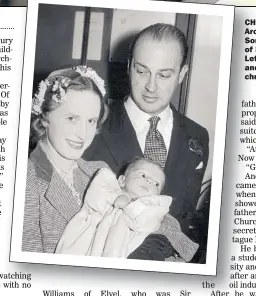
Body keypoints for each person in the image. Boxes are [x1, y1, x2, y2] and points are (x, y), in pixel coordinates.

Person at [83, 23, 209, 234]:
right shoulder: (94, 122)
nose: (151, 86)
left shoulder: (197, 137)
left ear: (182, 74)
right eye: (142, 71)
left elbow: (185, 217)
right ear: (129, 66)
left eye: (164, 75)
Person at [22, 65, 109, 253]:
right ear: (45, 116)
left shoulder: (99, 172)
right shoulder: (24, 181)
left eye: (91, 121)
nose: (83, 134)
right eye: (72, 118)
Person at [56, 157, 198, 262]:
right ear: (122, 180)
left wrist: (131, 207)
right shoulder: (108, 185)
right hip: (91, 236)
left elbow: (147, 223)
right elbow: (94, 196)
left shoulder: (154, 207)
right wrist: (115, 197)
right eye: (143, 175)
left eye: (156, 184)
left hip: (125, 246)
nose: (149, 181)